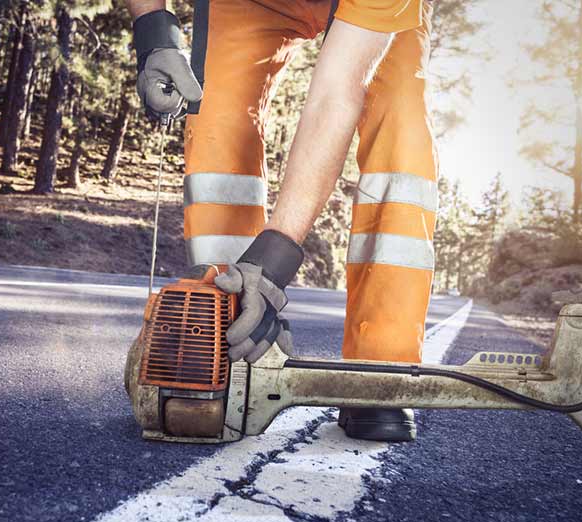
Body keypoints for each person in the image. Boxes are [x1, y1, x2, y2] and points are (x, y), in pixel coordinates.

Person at [127, 0, 438, 442]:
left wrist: (273, 259)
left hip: (371, 12)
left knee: (401, 122)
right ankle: (219, 344)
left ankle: (381, 367)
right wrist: (153, 31)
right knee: (218, 117)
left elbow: (337, 91)